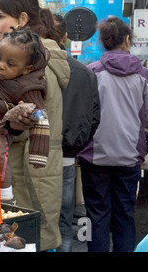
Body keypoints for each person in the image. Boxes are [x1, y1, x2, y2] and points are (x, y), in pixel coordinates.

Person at [0, 0, 70, 251]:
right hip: (31, 171)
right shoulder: (23, 57)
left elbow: (28, 118)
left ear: (22, 21)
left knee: (29, 240)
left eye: (0, 17)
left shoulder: (34, 68)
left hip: (28, 173)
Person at [77, 16, 148, 252]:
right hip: (129, 155)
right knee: (125, 215)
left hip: (95, 155)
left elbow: (83, 115)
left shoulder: (92, 71)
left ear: (103, 42)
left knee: (95, 215)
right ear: (126, 40)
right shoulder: (143, 74)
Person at [0, 28, 50, 201]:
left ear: (26, 69)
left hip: (0, 130)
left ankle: (6, 196)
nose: (0, 65)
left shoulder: (28, 86)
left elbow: (41, 116)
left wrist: (38, 152)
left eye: (10, 64)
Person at [52, 14, 101, 252]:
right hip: (68, 157)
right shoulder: (85, 73)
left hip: (33, 156)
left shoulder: (30, 67)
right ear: (64, 37)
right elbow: (94, 118)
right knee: (64, 221)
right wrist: (77, 144)